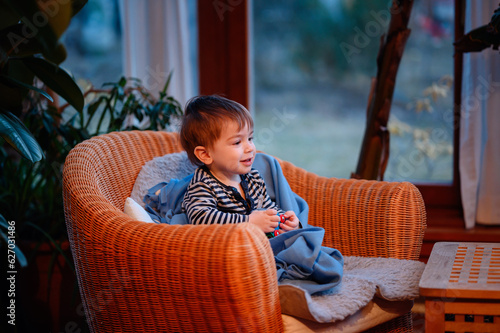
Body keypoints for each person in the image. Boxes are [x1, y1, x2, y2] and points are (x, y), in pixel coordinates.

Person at [180, 95, 300, 237]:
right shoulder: (203, 185)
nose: (250, 148)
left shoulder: (253, 179)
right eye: (237, 142)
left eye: (250, 138)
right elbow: (201, 218)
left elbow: (268, 208)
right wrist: (248, 221)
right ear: (205, 154)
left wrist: (284, 220)